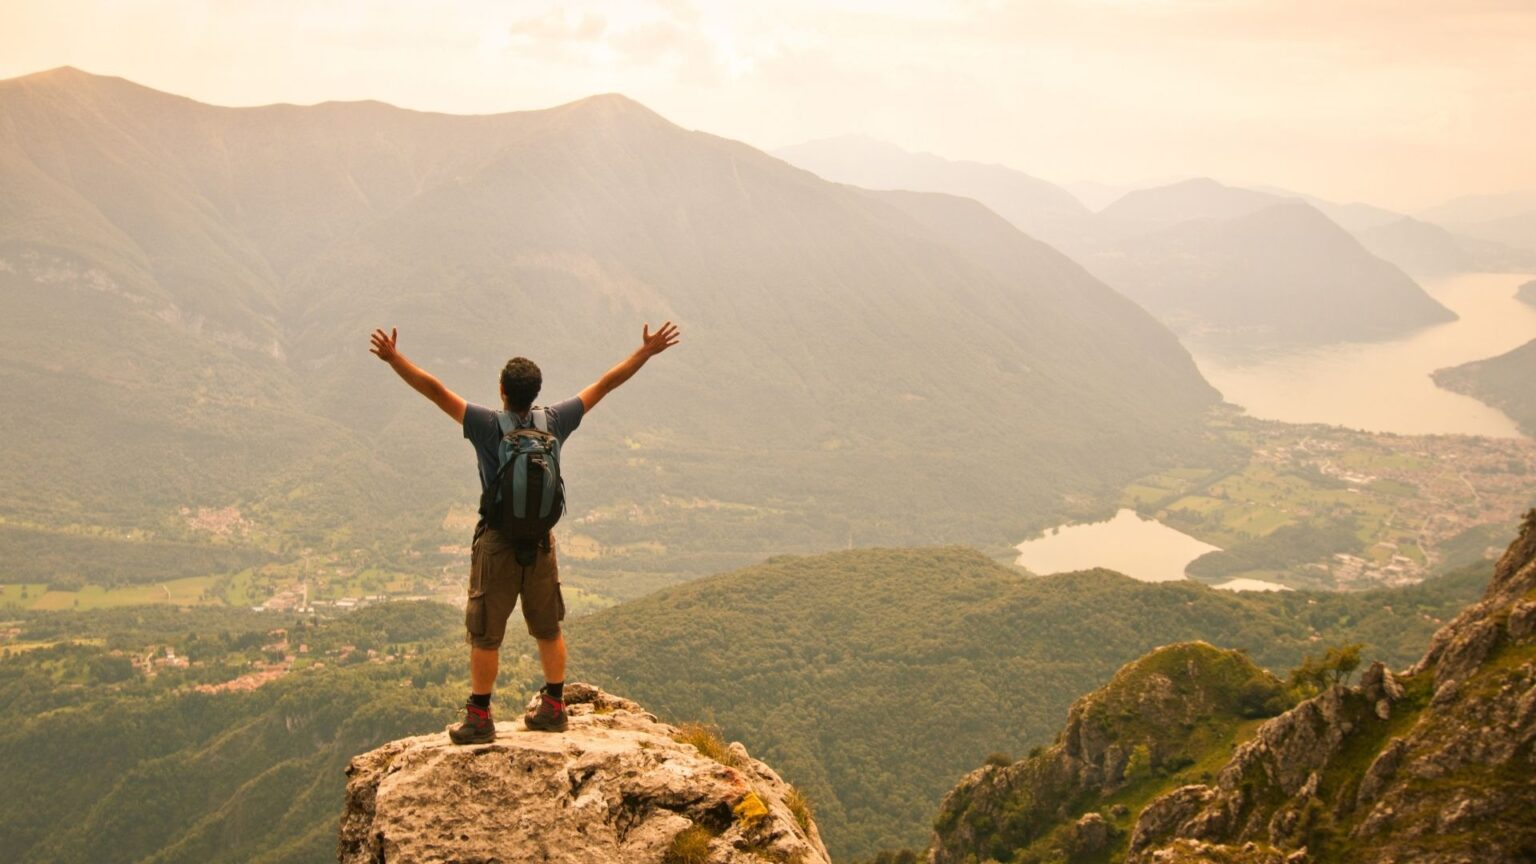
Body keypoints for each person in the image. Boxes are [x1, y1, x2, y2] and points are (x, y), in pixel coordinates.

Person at [369, 322, 681, 742]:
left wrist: (394, 359)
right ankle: (554, 706)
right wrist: (644, 352)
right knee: (548, 628)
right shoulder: (555, 420)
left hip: (497, 543)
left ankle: (480, 717)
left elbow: (435, 390)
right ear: (535, 392)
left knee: (486, 635)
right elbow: (606, 384)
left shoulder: (485, 424)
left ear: (502, 390)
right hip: (541, 544)